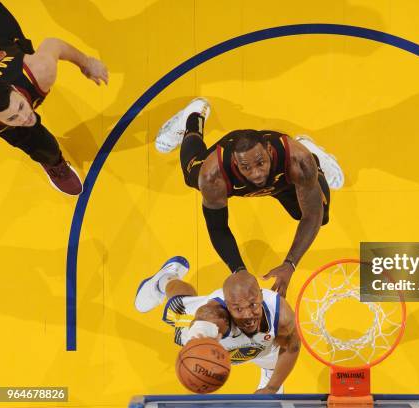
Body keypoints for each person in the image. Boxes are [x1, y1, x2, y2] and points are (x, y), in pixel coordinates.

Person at [155, 98, 344, 296]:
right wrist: (239, 270)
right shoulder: (213, 175)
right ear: (235, 162)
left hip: (283, 179)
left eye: (260, 163)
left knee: (320, 215)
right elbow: (218, 227)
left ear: (270, 152)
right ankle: (193, 116)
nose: (256, 173)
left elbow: (312, 216)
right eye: (246, 167)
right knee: (190, 174)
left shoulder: (296, 159)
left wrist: (290, 264)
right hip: (233, 173)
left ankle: (312, 153)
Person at [134, 256, 301, 394]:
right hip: (209, 328)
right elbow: (206, 318)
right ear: (227, 307)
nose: (248, 314)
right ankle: (165, 279)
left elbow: (292, 348)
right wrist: (200, 336)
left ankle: (269, 374)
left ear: (261, 297)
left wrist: (271, 388)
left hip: (262, 348)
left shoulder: (282, 316)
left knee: (274, 356)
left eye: (253, 305)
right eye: (238, 309)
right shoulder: (215, 315)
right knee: (180, 303)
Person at [0, 2, 108, 195]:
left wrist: (86, 63)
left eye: (22, 107)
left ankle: (52, 160)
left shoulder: (37, 71)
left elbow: (53, 44)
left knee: (36, 136)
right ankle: (53, 161)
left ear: (15, 90)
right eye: (12, 118)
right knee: (37, 140)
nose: (25, 117)